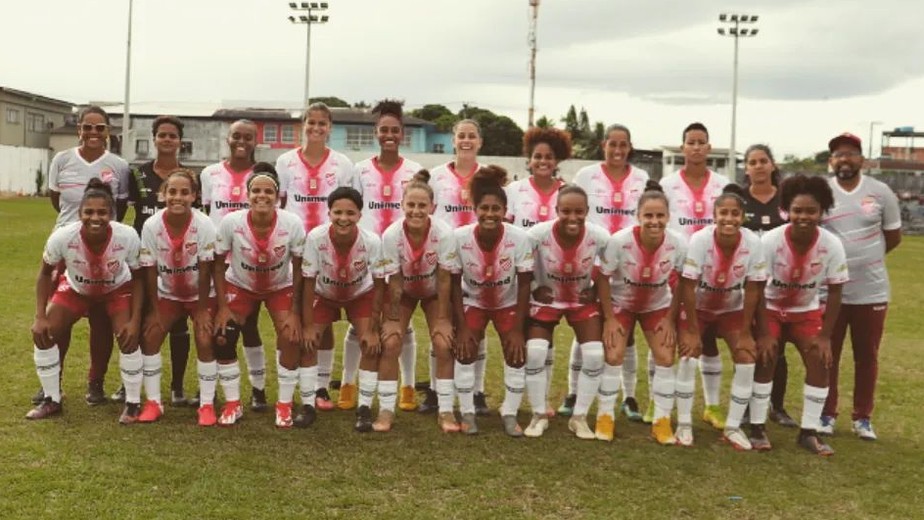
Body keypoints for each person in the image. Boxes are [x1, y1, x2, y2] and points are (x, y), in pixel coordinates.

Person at [27, 179, 143, 423]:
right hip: (76, 288)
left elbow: (139, 278)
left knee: (128, 337)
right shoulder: (63, 236)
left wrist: (134, 320)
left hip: (115, 289)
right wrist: (40, 316)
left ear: (112, 214)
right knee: (45, 333)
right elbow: (45, 274)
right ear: (79, 213)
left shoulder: (127, 236)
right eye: (88, 212)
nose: (95, 218)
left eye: (102, 212)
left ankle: (132, 403)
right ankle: (51, 398)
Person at [748, 174, 847, 456]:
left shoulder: (832, 245)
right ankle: (757, 427)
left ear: (822, 212)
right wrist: (765, 332)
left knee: (819, 360)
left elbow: (837, 292)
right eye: (797, 210)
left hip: (805, 311)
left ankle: (809, 431)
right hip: (770, 309)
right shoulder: (770, 241)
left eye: (811, 211)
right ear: (786, 211)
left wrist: (826, 336)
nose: (804, 216)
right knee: (766, 357)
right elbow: (755, 288)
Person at [42, 105, 131, 406]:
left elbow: (119, 207)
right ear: (79, 128)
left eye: (100, 127)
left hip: (103, 247)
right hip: (66, 247)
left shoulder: (119, 165)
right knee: (60, 317)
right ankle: (53, 383)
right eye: (87, 127)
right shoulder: (62, 160)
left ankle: (96, 383)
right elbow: (58, 203)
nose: (94, 133)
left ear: (108, 131)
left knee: (101, 320)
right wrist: (74, 230)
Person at [819, 133, 902, 440]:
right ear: (831, 161)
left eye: (851, 153)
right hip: (831, 292)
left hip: (871, 291)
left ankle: (862, 418)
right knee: (829, 355)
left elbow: (893, 237)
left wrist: (866, 260)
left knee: (867, 356)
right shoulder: (823, 191)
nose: (845, 159)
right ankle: (827, 414)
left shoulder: (880, 192)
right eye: (839, 154)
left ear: (862, 160)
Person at [566, 123, 650, 422]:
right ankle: (572, 392)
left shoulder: (642, 178)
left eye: (623, 144)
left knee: (625, 335)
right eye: (612, 144)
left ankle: (629, 397)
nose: (617, 150)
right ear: (604, 145)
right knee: (586, 325)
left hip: (630, 265)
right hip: (591, 262)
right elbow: (569, 212)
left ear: (630, 147)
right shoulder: (585, 176)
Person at [212, 166, 307, 427]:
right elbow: (218, 265)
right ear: (247, 195)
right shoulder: (232, 222)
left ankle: (284, 405)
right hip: (241, 285)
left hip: (280, 285)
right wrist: (221, 306)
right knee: (222, 335)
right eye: (256, 190)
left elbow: (299, 268)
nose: (262, 195)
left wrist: (296, 312)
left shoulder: (292, 223)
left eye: (268, 191)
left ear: (277, 197)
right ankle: (233, 403)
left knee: (290, 336)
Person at [344, 100, 423, 412]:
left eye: (395, 130)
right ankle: (348, 383)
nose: (389, 135)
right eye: (383, 130)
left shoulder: (416, 171)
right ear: (375, 133)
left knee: (403, 325)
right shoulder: (360, 170)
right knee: (361, 323)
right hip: (367, 258)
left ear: (402, 134)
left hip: (405, 257)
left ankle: (408, 386)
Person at [276, 102, 354, 412]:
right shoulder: (285, 161)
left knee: (324, 319)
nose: (317, 128)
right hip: (294, 250)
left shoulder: (343, 164)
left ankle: (320, 386)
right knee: (291, 314)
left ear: (330, 127)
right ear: (303, 126)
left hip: (328, 249)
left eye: (323, 124)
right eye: (312, 123)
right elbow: (279, 203)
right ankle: (290, 381)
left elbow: (347, 205)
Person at [677, 184, 768, 449]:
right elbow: (688, 286)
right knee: (687, 354)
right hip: (699, 308)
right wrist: (693, 330)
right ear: (714, 215)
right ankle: (683, 424)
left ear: (743, 216)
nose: (729, 219)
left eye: (735, 214)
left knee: (746, 357)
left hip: (730, 309)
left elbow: (753, 288)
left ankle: (732, 427)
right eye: (723, 213)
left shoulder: (753, 243)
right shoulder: (700, 240)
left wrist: (745, 331)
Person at [597, 181, 687, 445]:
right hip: (621, 304)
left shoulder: (678, 243)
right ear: (638, 217)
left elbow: (681, 281)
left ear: (668, 217)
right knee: (613, 354)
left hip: (656, 305)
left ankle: (661, 420)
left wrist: (671, 318)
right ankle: (605, 416)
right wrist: (610, 319)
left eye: (660, 216)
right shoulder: (619, 242)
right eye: (648, 215)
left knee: (666, 355)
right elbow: (603, 279)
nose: (654, 221)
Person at [449, 166, 534, 436]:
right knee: (465, 350)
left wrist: (519, 330)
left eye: (496, 208)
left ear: (505, 210)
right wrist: (461, 327)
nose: (490, 214)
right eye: (484, 208)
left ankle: (509, 413)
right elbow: (452, 283)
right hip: (473, 302)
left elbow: (524, 286)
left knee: (516, 353)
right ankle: (467, 412)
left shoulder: (519, 238)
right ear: (475, 209)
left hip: (507, 304)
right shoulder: (459, 238)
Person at [659, 122, 732, 429]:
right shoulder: (667, 184)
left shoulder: (723, 183)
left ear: (709, 147)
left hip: (715, 273)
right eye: (691, 142)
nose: (697, 147)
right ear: (683, 147)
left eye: (702, 142)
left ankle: (712, 406)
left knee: (710, 339)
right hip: (677, 270)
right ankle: (657, 401)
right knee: (666, 336)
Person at [525, 186, 610, 439]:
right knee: (536, 352)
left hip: (580, 301)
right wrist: (533, 288)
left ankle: (579, 417)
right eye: (566, 211)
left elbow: (611, 267)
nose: (572, 217)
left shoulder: (600, 237)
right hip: (548, 301)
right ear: (556, 211)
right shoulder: (537, 235)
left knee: (595, 355)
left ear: (587, 212)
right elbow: (521, 262)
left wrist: (594, 291)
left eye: (579, 212)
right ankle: (539, 415)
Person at [136, 169, 220, 425]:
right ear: (163, 195)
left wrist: (204, 309)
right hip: (168, 293)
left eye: (185, 192)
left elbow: (206, 269)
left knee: (205, 338)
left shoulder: (204, 224)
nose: (178, 197)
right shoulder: (151, 225)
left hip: (200, 294)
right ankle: (153, 402)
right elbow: (149, 269)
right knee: (151, 335)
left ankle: (206, 405)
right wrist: (155, 308)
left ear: (194, 196)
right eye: (172, 191)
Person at [301, 187, 385, 433]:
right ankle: (309, 403)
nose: (343, 218)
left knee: (371, 344)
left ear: (360, 215)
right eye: (338, 212)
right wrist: (307, 326)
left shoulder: (371, 241)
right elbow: (307, 283)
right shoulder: (316, 238)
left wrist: (372, 328)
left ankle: (364, 408)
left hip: (359, 295)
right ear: (329, 213)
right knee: (308, 342)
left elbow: (380, 286)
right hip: (324, 295)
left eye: (350, 213)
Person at [379, 171, 457, 432]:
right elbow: (395, 279)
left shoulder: (444, 233)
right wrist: (391, 317)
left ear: (432, 207)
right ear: (401, 205)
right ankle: (386, 410)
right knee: (390, 342)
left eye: (422, 205)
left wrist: (444, 319)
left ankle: (446, 411)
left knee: (444, 343)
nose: (416, 210)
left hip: (434, 290)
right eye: (410, 205)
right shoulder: (391, 235)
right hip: (406, 290)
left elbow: (445, 278)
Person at [200, 120, 270, 412]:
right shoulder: (209, 173)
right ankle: (216, 389)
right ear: (227, 139)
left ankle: (259, 390)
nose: (242, 141)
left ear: (256, 141)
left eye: (248, 137)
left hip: (255, 263)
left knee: (250, 327)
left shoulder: (263, 175)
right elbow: (207, 213)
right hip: (221, 264)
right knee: (222, 328)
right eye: (236, 136)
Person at [127, 115, 196, 406]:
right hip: (144, 256)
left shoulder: (189, 177)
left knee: (178, 323)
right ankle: (131, 384)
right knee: (141, 319)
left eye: (172, 135)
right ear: (154, 139)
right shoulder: (138, 174)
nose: (167, 140)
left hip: (178, 259)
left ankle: (177, 387)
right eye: (162, 135)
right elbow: (124, 214)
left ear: (180, 141)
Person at [505, 127, 570, 416]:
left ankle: (543, 399)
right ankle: (516, 398)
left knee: (547, 336)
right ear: (528, 160)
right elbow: (506, 232)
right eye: (537, 156)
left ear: (557, 161)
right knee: (524, 336)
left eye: (549, 157)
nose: (543, 161)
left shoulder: (567, 192)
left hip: (553, 275)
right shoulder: (514, 191)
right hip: (521, 276)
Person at [422, 118, 484, 415]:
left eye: (472, 136)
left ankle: (478, 392)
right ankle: (435, 391)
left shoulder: (487, 177)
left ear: (480, 142)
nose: (467, 141)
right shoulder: (436, 176)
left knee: (475, 328)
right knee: (442, 326)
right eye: (462, 136)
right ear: (453, 140)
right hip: (443, 263)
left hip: (478, 263)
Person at [740, 144, 796, 427]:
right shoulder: (739, 200)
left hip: (779, 287)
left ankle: (777, 405)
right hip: (747, 285)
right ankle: (750, 405)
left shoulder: (786, 200)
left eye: (763, 161)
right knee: (750, 345)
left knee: (777, 347)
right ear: (746, 168)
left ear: (773, 165)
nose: (759, 166)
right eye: (753, 162)